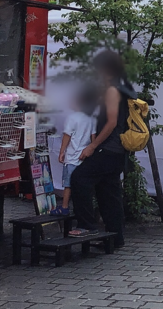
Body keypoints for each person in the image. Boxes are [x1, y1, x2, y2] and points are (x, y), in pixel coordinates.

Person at [69, 50, 132, 247]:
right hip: (118, 151)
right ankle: (116, 237)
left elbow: (111, 122)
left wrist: (92, 147)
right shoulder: (122, 87)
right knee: (109, 192)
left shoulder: (112, 90)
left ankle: (87, 225)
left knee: (79, 178)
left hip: (108, 148)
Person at [52, 83, 97, 216]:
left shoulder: (72, 118)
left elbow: (67, 136)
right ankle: (82, 207)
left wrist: (61, 152)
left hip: (72, 156)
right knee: (83, 184)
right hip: (84, 157)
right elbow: (93, 137)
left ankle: (65, 206)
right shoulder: (91, 117)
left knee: (68, 184)